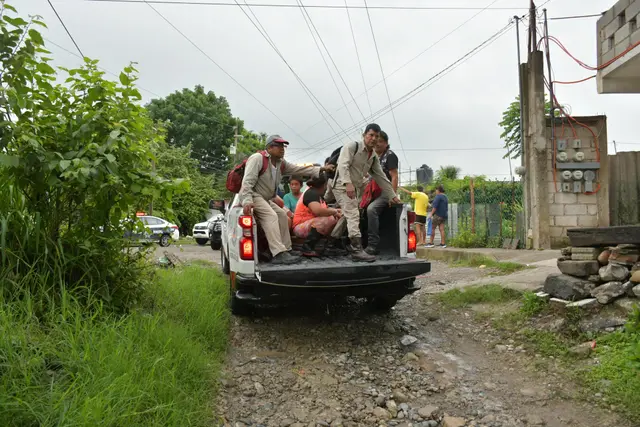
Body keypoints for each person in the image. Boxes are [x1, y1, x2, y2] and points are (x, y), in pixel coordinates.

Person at [239, 135, 334, 264]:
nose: (282, 149)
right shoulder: (257, 159)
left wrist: (321, 168)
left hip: (265, 198)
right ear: (269, 147)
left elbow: (299, 169)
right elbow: (247, 182)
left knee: (283, 216)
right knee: (271, 216)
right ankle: (278, 253)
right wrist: (247, 201)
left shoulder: (280, 163)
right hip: (254, 195)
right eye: (279, 146)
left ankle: (286, 249)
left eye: (284, 146)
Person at [332, 123, 400, 262]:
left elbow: (380, 177)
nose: (374, 139)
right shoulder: (352, 147)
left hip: (355, 188)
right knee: (353, 214)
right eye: (371, 135)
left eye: (376, 136)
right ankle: (357, 250)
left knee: (348, 215)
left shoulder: (373, 156)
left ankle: (330, 242)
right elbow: (342, 165)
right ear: (364, 135)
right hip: (341, 185)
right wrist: (348, 183)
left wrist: (393, 196)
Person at [360, 130, 399, 255]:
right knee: (357, 209)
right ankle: (358, 243)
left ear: (386, 143)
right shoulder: (372, 156)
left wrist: (391, 196)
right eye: (376, 141)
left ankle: (373, 245)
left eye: (381, 141)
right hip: (371, 191)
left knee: (372, 209)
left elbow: (394, 176)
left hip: (384, 191)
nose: (377, 144)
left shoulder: (390, 155)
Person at [292, 174, 342, 257]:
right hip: (300, 227)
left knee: (335, 216)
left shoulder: (316, 194)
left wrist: (337, 210)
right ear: (323, 185)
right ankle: (307, 247)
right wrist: (334, 212)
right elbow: (318, 211)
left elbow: (324, 209)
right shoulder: (311, 193)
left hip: (309, 224)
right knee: (330, 219)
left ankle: (331, 245)